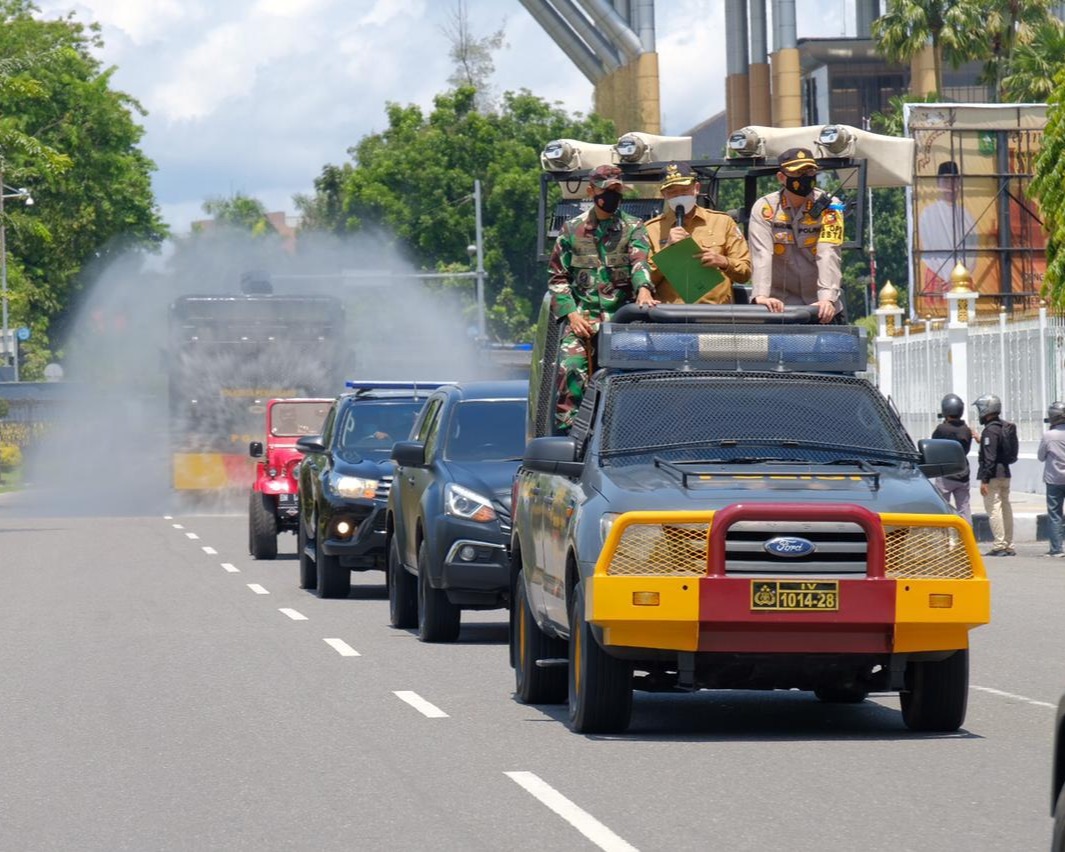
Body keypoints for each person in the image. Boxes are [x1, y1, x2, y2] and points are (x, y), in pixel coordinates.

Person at [547, 163, 657, 432]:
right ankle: (569, 436)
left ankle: (633, 432)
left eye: (617, 191)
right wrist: (571, 315)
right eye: (607, 191)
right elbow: (557, 278)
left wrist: (644, 288)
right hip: (583, 320)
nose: (612, 197)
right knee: (570, 367)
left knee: (638, 376)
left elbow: (640, 263)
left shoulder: (633, 227)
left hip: (622, 322)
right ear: (591, 191)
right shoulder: (571, 230)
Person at [748, 147, 844, 324]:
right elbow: (761, 254)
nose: (805, 177)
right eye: (798, 172)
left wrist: (827, 298)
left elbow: (828, 251)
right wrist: (761, 296)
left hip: (822, 307)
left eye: (810, 171)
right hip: (780, 308)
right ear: (782, 177)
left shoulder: (831, 207)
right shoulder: (764, 208)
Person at [643, 161, 751, 303]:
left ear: (696, 188)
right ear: (664, 194)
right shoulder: (651, 229)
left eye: (684, 190)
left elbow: (745, 273)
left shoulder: (722, 222)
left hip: (716, 315)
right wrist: (667, 251)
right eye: (672, 192)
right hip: (670, 316)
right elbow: (644, 281)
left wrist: (724, 262)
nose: (679, 196)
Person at [917, 160, 977, 308]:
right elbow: (928, 249)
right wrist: (945, 276)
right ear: (938, 183)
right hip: (936, 278)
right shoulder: (928, 214)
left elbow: (972, 252)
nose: (950, 186)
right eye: (945, 181)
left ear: (959, 183)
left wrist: (957, 277)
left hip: (962, 279)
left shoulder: (967, 216)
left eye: (954, 180)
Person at [974, 393, 1014, 556]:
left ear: (986, 409)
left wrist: (984, 480)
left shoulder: (990, 431)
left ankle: (999, 545)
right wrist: (980, 439)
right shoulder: (1003, 427)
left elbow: (989, 458)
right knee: (1006, 508)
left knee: (994, 509)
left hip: (993, 477)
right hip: (1005, 473)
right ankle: (1009, 545)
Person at [931, 393, 973, 523]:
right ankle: (967, 535)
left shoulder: (942, 429)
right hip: (963, 472)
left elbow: (934, 446)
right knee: (964, 507)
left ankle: (944, 537)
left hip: (946, 473)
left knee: (942, 506)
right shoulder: (966, 430)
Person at [1037, 401, 1065, 557]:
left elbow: (1041, 457)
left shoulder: (1048, 436)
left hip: (1054, 479)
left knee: (1055, 514)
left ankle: (1056, 549)